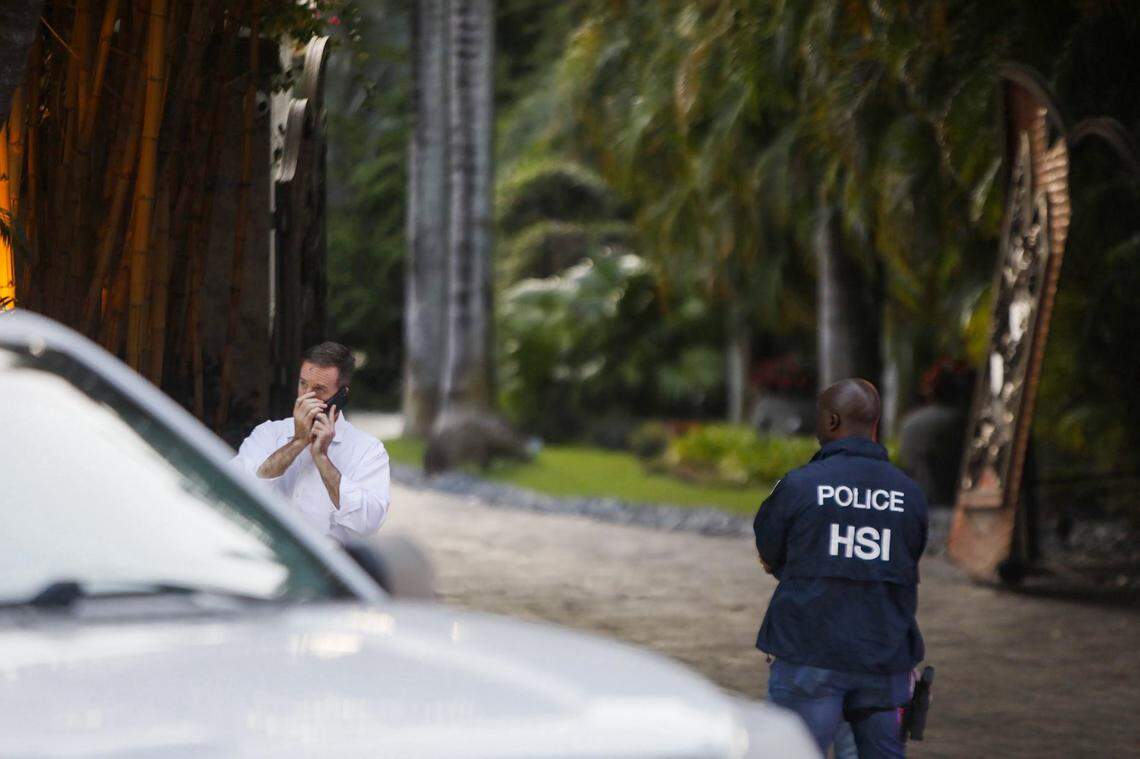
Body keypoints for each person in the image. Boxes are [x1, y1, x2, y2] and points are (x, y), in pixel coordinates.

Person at [753, 378, 927, 758]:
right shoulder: (910, 495)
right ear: (875, 424)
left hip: (809, 654)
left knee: (793, 752)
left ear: (831, 421)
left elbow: (770, 552)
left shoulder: (799, 487)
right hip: (884, 661)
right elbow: (907, 559)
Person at [233, 342, 390, 543]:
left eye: (319, 389)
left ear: (341, 396)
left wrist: (322, 458)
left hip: (326, 560)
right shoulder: (268, 433)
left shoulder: (368, 450)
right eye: (303, 384)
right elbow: (236, 491)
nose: (306, 397)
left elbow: (368, 524)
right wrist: (297, 442)